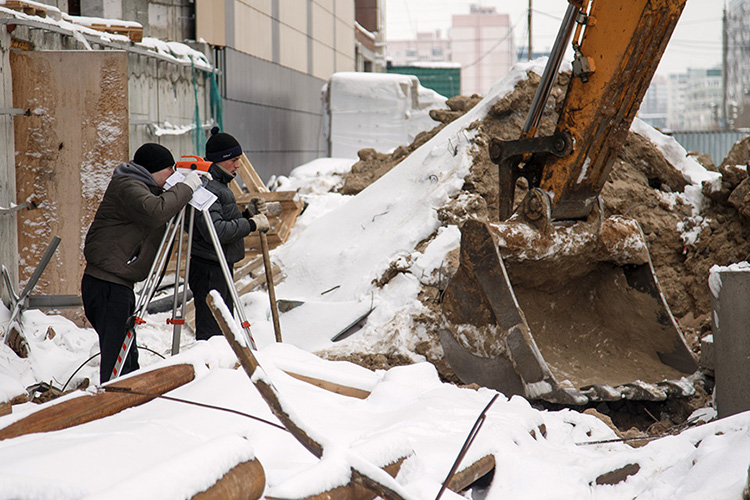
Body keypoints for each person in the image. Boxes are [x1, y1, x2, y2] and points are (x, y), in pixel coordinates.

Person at [82, 143, 204, 383]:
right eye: (170, 169)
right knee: (116, 357)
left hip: (117, 283)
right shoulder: (127, 186)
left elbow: (164, 207)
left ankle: (130, 401)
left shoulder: (142, 188)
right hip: (106, 285)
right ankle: (111, 403)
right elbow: (156, 211)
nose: (172, 175)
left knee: (127, 356)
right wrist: (186, 186)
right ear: (154, 170)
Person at [188, 127, 269, 341]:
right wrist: (251, 224)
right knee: (213, 333)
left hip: (217, 265)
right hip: (209, 268)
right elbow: (217, 230)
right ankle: (212, 370)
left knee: (223, 329)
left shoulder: (218, 184)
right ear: (218, 160)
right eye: (233, 160)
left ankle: (222, 369)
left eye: (238, 159)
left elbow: (219, 219)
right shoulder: (208, 187)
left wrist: (247, 214)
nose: (237, 165)